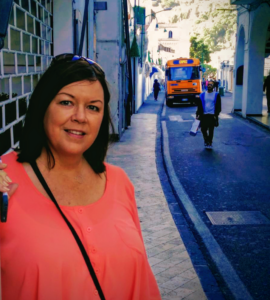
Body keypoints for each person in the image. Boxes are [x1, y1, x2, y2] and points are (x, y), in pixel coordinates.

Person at [0, 54, 161, 300]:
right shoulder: (5, 180)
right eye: (66, 102)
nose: (80, 117)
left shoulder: (118, 182)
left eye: (93, 107)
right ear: (43, 106)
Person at [196, 80, 221, 149]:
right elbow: (199, 106)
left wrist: (216, 115)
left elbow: (218, 106)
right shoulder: (202, 95)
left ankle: (209, 142)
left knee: (211, 130)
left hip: (212, 115)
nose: (209, 85)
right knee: (203, 129)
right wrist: (197, 114)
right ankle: (206, 140)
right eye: (208, 84)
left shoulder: (216, 95)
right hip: (204, 115)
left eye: (211, 84)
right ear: (207, 85)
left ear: (213, 86)